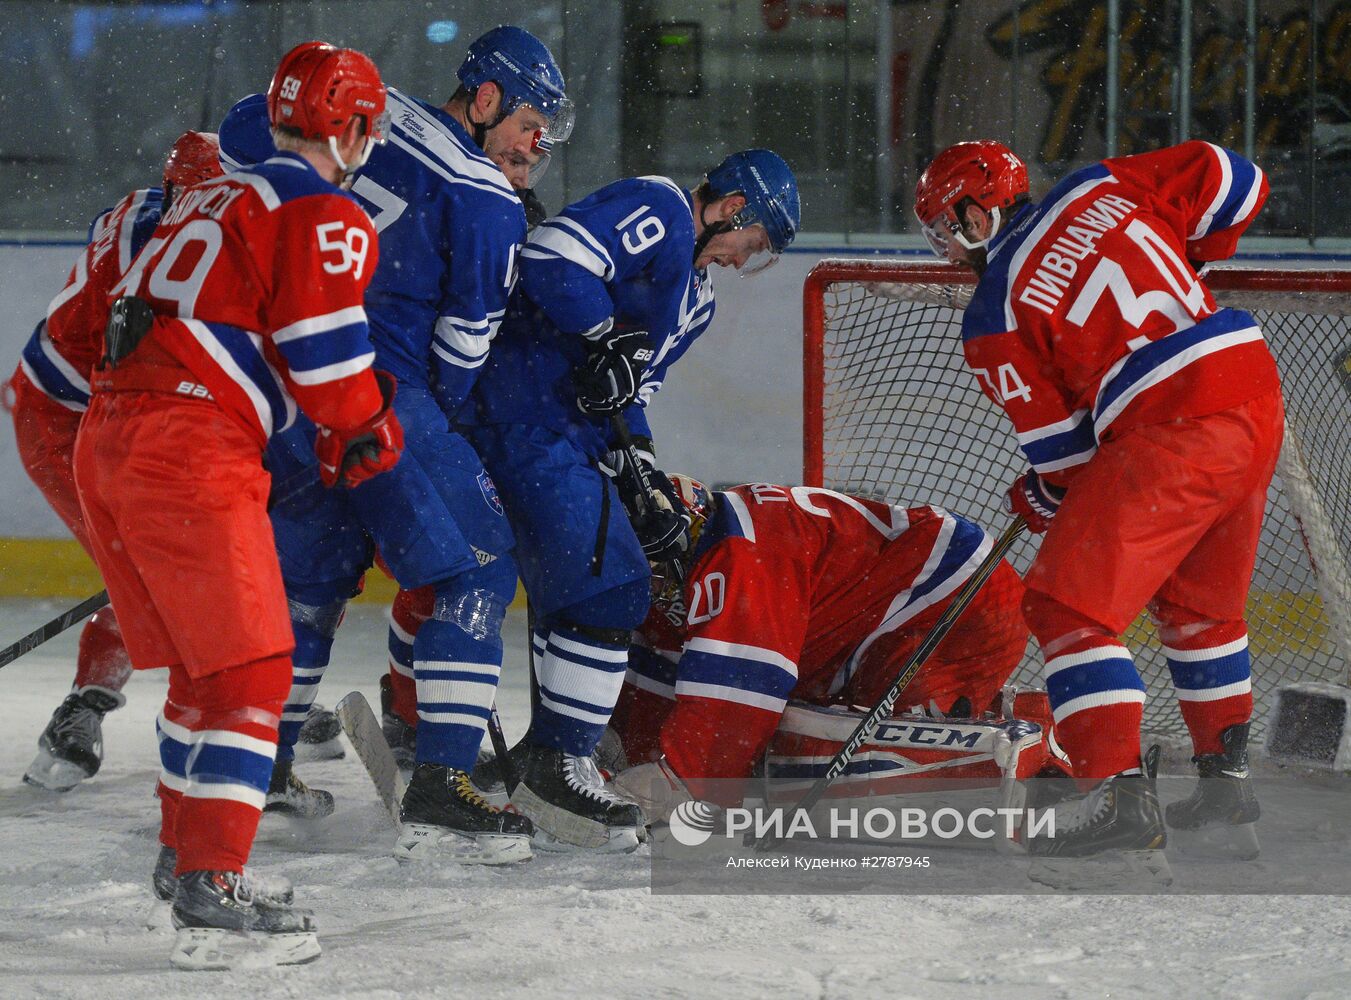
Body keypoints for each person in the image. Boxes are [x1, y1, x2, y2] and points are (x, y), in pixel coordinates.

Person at [74, 41, 400, 968]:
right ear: (353, 124)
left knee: (203, 673)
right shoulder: (322, 208)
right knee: (256, 672)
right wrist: (368, 426)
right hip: (187, 451)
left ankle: (183, 855)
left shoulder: (210, 193)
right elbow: (332, 366)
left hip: (112, 439)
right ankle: (211, 881)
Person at [219, 26, 573, 865]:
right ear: (484, 99)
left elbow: (241, 139)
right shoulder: (487, 196)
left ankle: (260, 767)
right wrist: (414, 449)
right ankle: (441, 783)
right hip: (381, 396)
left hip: (285, 387)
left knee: (306, 583)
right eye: (530, 123)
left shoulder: (366, 116)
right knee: (478, 565)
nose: (536, 144)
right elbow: (462, 348)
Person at [912, 139, 1281, 874]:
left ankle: (1116, 799)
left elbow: (1069, 462)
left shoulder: (995, 309)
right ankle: (1223, 788)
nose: (949, 251)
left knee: (1065, 609)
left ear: (975, 211)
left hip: (1169, 422)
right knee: (1200, 611)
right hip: (1250, 389)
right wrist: (1193, 261)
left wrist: (1040, 494)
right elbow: (1236, 176)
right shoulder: (1099, 184)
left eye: (947, 230)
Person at [465, 150, 801, 850]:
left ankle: (541, 752)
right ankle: (560, 760)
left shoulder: (698, 300)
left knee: (575, 585)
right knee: (612, 584)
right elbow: (553, 255)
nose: (745, 259)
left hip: (563, 433)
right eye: (755, 241)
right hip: (524, 413)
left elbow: (631, 393)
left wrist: (640, 466)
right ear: (734, 207)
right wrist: (601, 334)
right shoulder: (662, 205)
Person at [603, 477, 1031, 814]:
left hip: (959, 603)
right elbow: (667, 667)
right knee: (791, 743)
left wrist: (685, 783)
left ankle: (1042, 775)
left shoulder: (740, 555)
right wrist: (629, 752)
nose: (652, 582)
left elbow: (738, 695)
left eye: (654, 564)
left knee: (853, 762)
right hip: (919, 597)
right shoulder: (711, 545)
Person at [13, 132, 223, 792]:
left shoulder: (149, 214)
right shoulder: (162, 246)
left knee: (172, 565)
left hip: (99, 408)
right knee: (145, 575)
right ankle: (84, 709)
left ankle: (262, 693)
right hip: (68, 420)